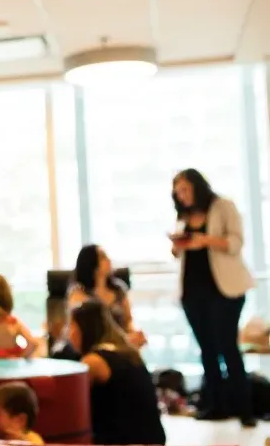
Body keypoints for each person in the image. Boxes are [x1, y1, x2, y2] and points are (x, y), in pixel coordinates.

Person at [170, 168, 256, 426]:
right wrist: (179, 245)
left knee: (228, 347)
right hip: (192, 293)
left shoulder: (223, 207)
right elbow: (178, 254)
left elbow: (236, 243)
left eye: (185, 189)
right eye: (177, 192)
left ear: (197, 186)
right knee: (207, 350)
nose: (182, 196)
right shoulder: (183, 216)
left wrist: (205, 240)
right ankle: (215, 405)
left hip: (224, 290)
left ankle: (245, 410)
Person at [69, 299, 166, 445]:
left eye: (71, 327)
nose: (69, 334)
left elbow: (73, 405)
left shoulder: (93, 361)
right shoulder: (128, 351)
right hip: (153, 438)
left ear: (84, 328)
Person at [68, 244, 146, 348]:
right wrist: (124, 340)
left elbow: (128, 321)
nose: (109, 260)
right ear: (91, 263)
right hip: (94, 348)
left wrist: (134, 333)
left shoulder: (118, 289)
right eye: (103, 257)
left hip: (122, 346)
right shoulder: (78, 293)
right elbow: (84, 330)